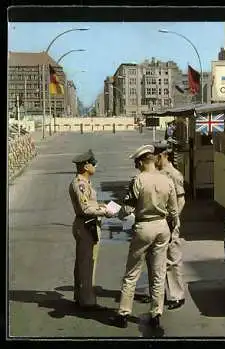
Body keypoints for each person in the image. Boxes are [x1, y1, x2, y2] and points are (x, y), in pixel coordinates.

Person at [111, 145, 179, 333]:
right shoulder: (167, 180)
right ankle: (156, 314)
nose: (135, 165)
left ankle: (124, 313)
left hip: (144, 227)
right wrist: (171, 230)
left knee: (132, 272)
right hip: (162, 226)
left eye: (136, 162)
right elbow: (174, 211)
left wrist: (116, 212)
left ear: (141, 162)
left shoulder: (139, 180)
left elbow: (128, 208)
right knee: (158, 273)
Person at [68, 149, 114, 309]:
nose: (95, 166)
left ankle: (80, 296)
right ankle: (87, 301)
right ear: (86, 166)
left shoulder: (85, 183)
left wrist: (100, 205)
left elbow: (89, 203)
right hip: (86, 224)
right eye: (93, 164)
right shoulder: (80, 184)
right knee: (87, 264)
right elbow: (85, 209)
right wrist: (104, 211)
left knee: (83, 262)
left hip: (88, 224)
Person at [155, 140, 186, 310]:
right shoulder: (157, 172)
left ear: (162, 155)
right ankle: (162, 292)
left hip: (170, 221)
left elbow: (181, 201)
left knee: (172, 259)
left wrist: (173, 219)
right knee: (158, 259)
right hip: (159, 220)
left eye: (156, 157)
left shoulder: (173, 174)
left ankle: (177, 295)